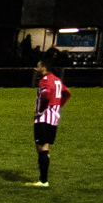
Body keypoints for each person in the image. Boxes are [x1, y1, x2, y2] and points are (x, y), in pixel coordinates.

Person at [31, 58, 68, 187]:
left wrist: (41, 110)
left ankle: (43, 180)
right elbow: (66, 93)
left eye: (39, 66)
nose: (37, 69)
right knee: (45, 149)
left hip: (44, 118)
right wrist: (57, 108)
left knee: (41, 149)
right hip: (53, 119)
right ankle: (43, 179)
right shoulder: (57, 80)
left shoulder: (46, 80)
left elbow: (46, 95)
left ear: (44, 67)